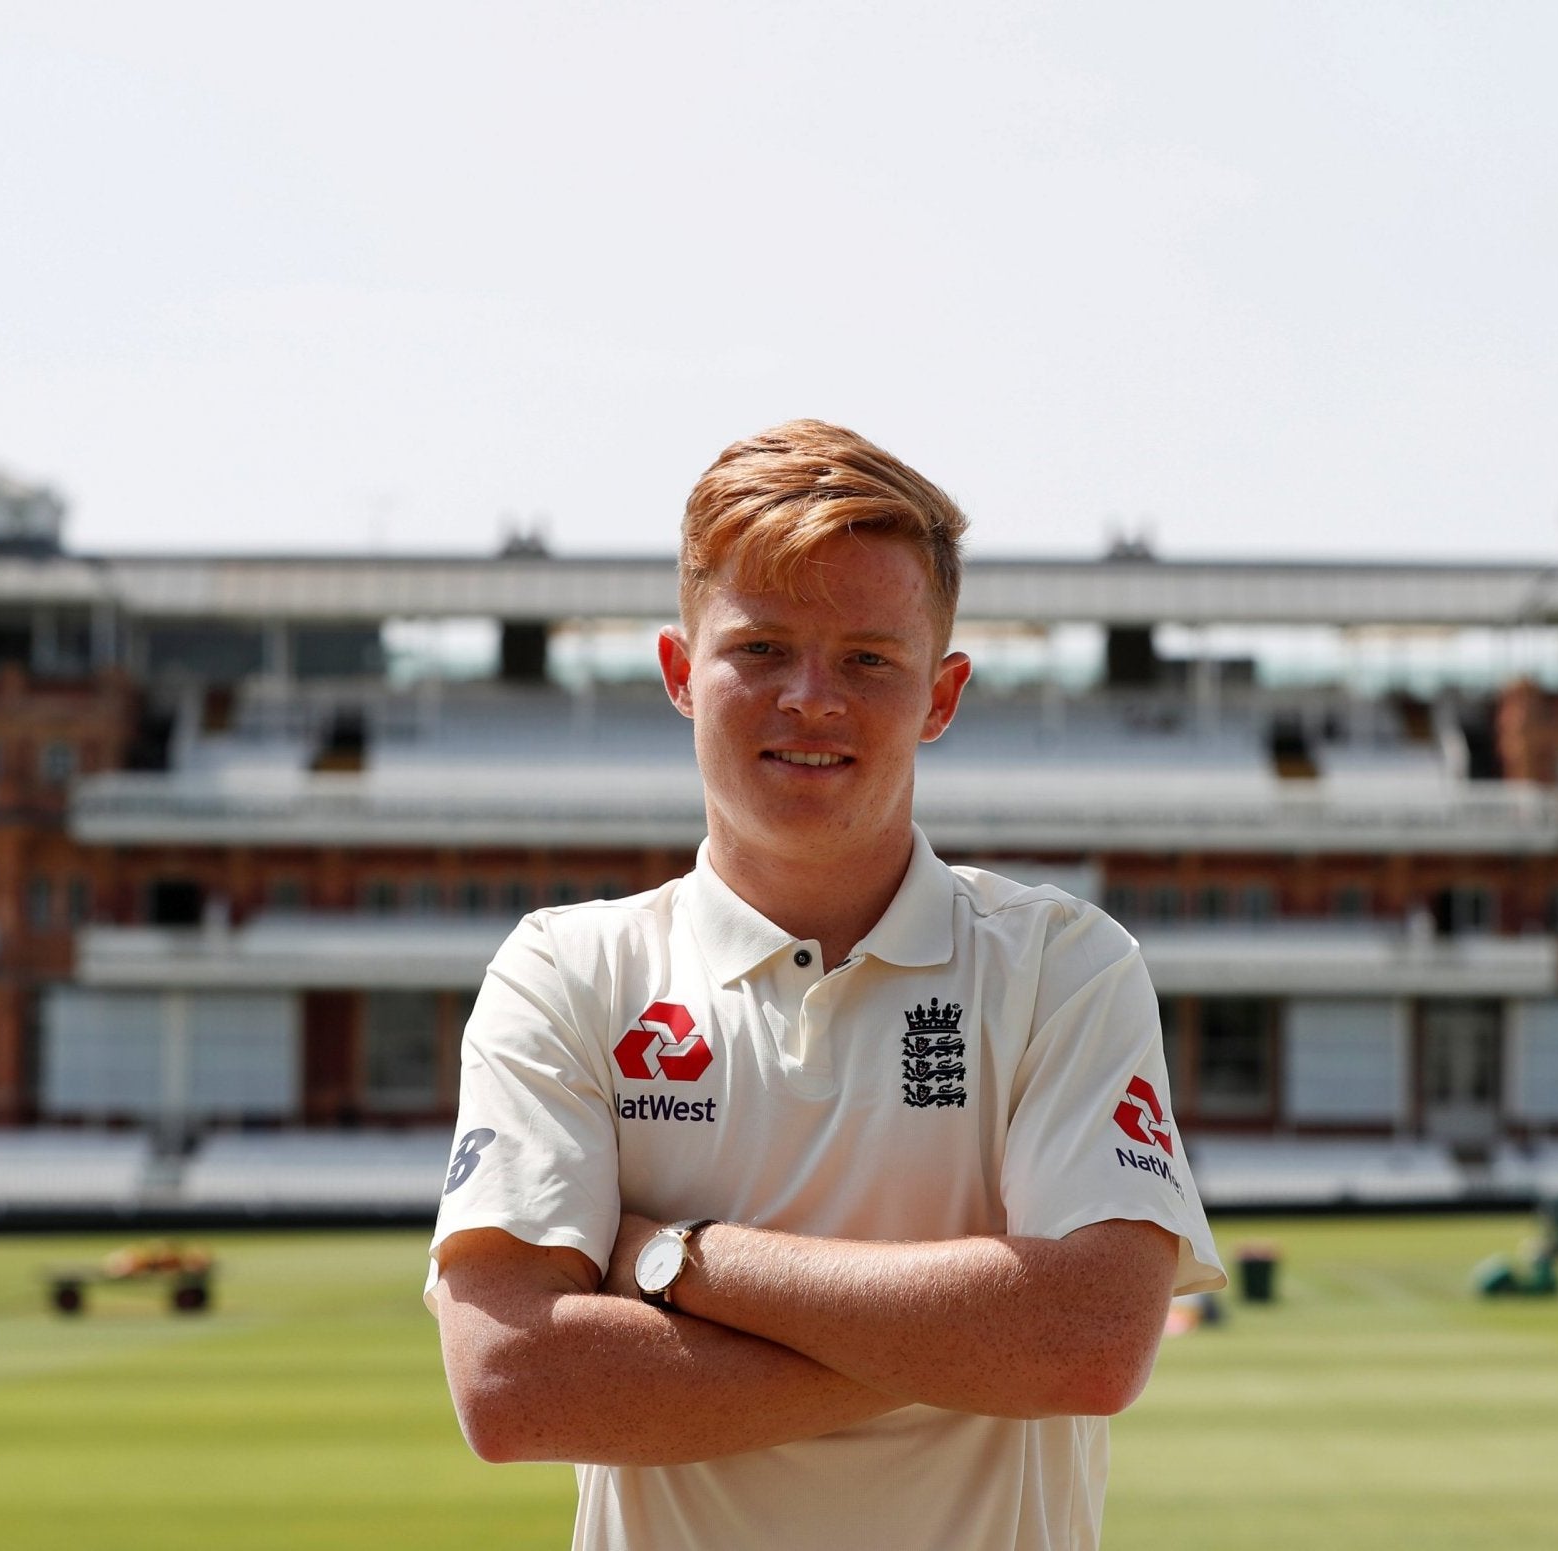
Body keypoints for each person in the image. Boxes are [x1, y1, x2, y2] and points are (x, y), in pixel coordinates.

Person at [428, 420, 1223, 1550]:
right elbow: (516, 1389)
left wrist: (678, 1261)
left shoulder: (1059, 963)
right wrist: (970, 1343)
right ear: (678, 674)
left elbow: (1085, 1346)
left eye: (867, 657)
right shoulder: (568, 971)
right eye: (759, 649)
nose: (811, 697)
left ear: (939, 696)